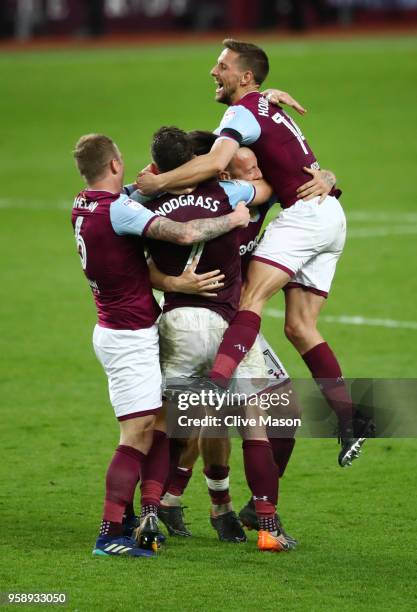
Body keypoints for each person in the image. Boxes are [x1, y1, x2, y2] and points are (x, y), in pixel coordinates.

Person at [136, 39, 373, 467]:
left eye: (222, 65)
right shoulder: (265, 104)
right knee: (300, 327)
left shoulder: (241, 112)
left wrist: (156, 184)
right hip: (330, 214)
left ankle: (218, 380)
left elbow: (213, 163)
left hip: (305, 214)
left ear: (245, 76)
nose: (214, 71)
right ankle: (350, 418)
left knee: (250, 301)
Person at [71, 133, 250, 558]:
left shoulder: (84, 203)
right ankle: (109, 533)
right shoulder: (119, 211)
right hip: (129, 339)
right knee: (137, 436)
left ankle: (139, 513)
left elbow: (132, 198)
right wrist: (234, 219)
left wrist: (153, 184)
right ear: (115, 163)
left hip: (117, 331)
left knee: (155, 428)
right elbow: (185, 233)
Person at [159, 131, 333, 544]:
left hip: (235, 322)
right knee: (201, 418)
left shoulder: (261, 194)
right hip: (196, 318)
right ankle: (187, 503)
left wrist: (325, 176)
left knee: (283, 411)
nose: (258, 174)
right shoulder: (214, 204)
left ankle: (244, 507)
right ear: (223, 172)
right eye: (247, 168)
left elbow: (296, 179)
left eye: (258, 167)